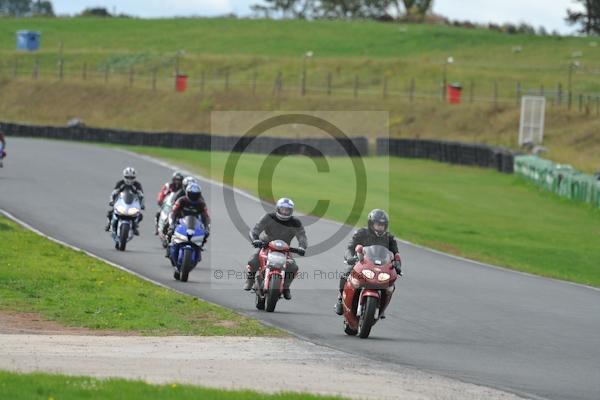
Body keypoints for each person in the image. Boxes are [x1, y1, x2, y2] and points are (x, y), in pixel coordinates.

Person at [334, 209, 402, 315]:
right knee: (346, 273)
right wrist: (350, 258)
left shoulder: (389, 238)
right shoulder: (361, 233)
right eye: (377, 224)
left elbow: (396, 254)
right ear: (371, 224)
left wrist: (397, 264)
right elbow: (350, 248)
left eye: (382, 225)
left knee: (390, 284)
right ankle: (340, 299)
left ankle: (382, 306)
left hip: (381, 266)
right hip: (362, 263)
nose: (380, 227)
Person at [244, 198, 307, 300]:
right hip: (265, 244)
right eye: (283, 209)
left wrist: (302, 247)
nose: (285, 212)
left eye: (287, 210)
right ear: (278, 208)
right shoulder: (269, 217)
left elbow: (302, 236)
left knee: (293, 267)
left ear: (291, 211)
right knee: (253, 260)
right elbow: (255, 230)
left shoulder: (295, 222)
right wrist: (255, 240)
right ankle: (250, 280)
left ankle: (286, 287)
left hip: (285, 249)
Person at [166, 183, 211, 256]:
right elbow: (173, 212)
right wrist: (171, 224)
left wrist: (207, 228)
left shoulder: (201, 203)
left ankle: (198, 248)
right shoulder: (181, 200)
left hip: (195, 223)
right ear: (187, 193)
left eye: (195, 194)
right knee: (170, 231)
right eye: (192, 194)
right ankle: (169, 247)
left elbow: (206, 216)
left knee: (205, 234)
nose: (193, 196)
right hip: (180, 220)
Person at [104, 167, 145, 235]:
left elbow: (141, 195)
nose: (129, 180)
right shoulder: (120, 183)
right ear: (124, 176)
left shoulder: (137, 185)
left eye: (131, 178)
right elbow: (113, 193)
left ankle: (135, 227)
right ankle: (109, 225)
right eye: (128, 177)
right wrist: (111, 201)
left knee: (139, 215)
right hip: (121, 202)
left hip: (132, 204)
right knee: (110, 213)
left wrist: (142, 205)